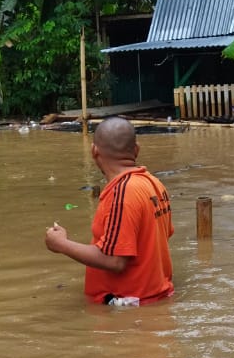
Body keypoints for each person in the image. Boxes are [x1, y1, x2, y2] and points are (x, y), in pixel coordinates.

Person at [44, 117, 174, 304]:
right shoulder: (154, 183)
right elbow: (162, 237)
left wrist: (61, 244)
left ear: (94, 151)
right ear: (136, 149)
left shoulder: (121, 193)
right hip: (154, 301)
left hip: (128, 308)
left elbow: (115, 261)